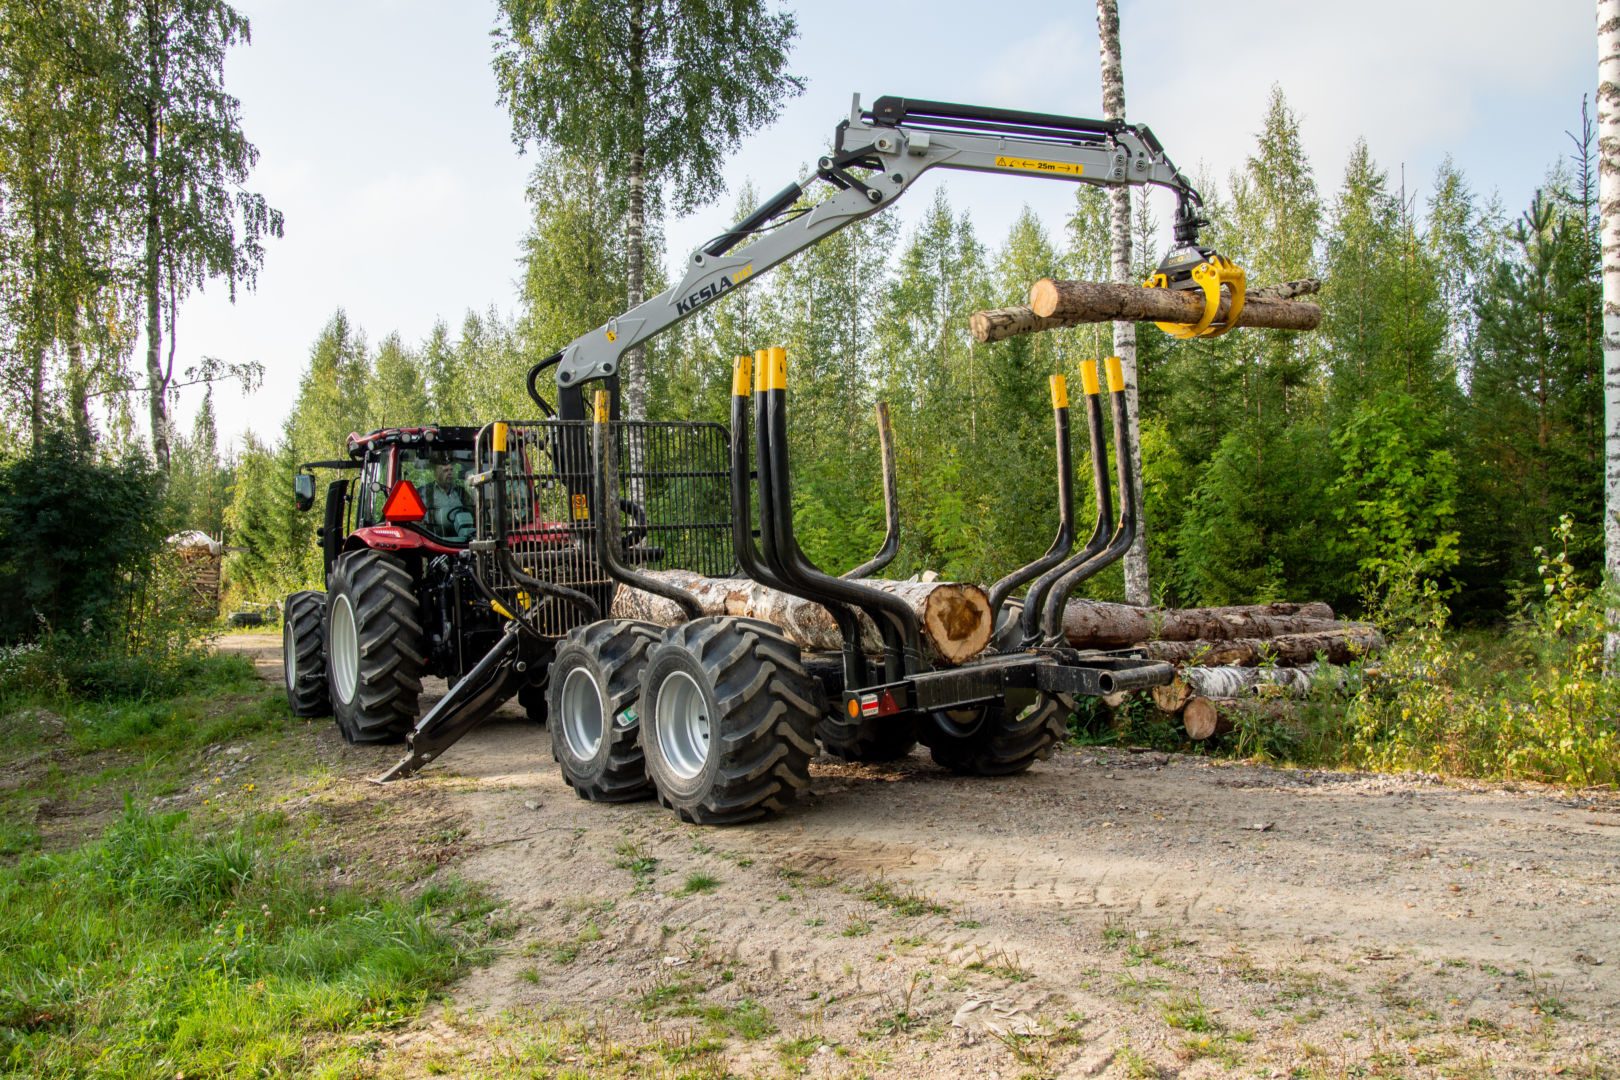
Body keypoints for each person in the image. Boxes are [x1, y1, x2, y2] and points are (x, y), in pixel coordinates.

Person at [422, 459, 469, 535]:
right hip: (434, 537)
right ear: (437, 473)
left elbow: (473, 511)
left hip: (461, 536)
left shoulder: (461, 491)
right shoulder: (425, 492)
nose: (450, 473)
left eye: (451, 470)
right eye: (446, 471)